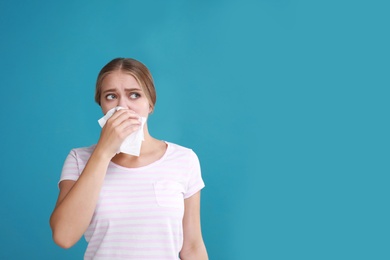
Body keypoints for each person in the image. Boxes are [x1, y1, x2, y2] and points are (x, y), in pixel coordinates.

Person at [50, 58, 208, 260]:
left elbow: (192, 246)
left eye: (134, 95)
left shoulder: (184, 159)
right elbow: (64, 236)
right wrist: (103, 153)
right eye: (111, 96)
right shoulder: (79, 159)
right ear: (101, 106)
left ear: (150, 103)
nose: (123, 106)